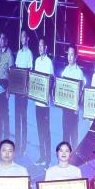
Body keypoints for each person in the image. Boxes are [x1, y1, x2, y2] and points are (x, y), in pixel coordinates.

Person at [32, 37, 55, 165]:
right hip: (37, 102)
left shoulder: (48, 62)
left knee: (46, 131)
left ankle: (48, 159)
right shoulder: (36, 61)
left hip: (45, 104)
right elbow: (35, 79)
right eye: (39, 46)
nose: (40, 48)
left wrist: (46, 94)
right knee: (39, 130)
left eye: (42, 46)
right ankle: (41, 156)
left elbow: (51, 81)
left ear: (46, 47)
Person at [59, 46, 87, 150]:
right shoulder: (65, 70)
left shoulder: (79, 73)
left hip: (74, 110)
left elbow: (81, 92)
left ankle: (74, 157)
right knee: (65, 134)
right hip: (65, 109)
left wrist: (78, 106)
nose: (69, 57)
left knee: (74, 136)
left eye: (72, 55)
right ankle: (65, 155)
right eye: (68, 54)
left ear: (76, 57)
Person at [13, 32, 34, 157]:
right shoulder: (19, 52)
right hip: (17, 91)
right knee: (17, 118)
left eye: (24, 37)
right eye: (21, 36)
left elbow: (30, 71)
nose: (22, 39)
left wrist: (27, 89)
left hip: (24, 92)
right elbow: (16, 69)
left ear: (28, 38)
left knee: (23, 119)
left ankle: (24, 146)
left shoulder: (29, 53)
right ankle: (16, 144)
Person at [0, 32, 13, 145]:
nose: (1, 41)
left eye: (3, 39)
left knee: (5, 112)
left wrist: (8, 90)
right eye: (0, 39)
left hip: (5, 84)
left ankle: (6, 137)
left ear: (6, 40)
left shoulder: (9, 53)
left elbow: (11, 73)